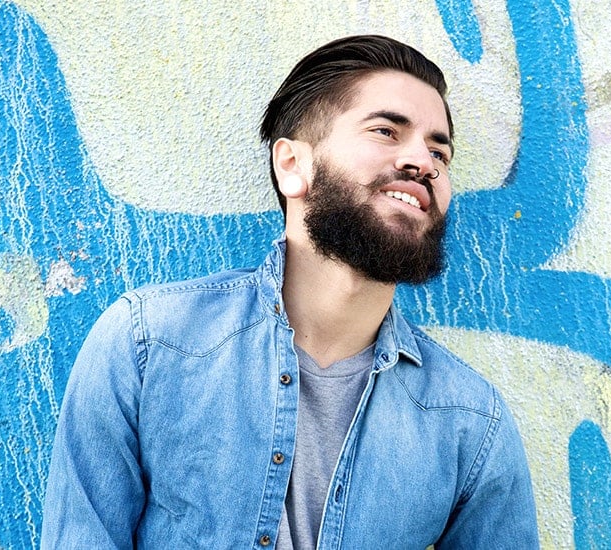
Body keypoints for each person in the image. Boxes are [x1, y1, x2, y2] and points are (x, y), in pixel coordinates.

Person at [42, 34, 539, 548]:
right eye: (387, 131)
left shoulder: (471, 421)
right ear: (291, 166)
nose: (424, 162)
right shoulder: (150, 344)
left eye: (440, 150)